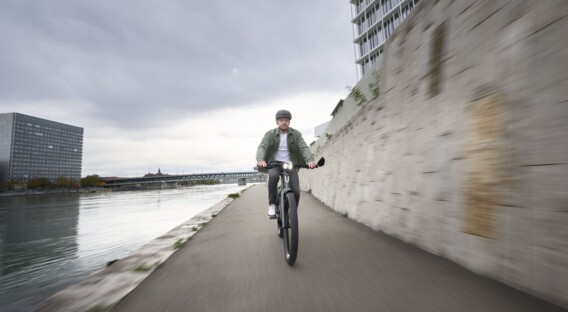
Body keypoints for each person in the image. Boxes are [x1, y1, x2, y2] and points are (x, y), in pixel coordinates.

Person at [256, 109, 315, 219]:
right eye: (281, 120)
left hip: (290, 164)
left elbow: (303, 147)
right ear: (277, 122)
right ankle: (272, 205)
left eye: (286, 120)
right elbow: (262, 147)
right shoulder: (270, 134)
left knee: (296, 191)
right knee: (273, 177)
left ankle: (292, 212)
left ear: (289, 122)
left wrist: (310, 160)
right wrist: (260, 159)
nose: (284, 122)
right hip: (274, 163)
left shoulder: (296, 134)